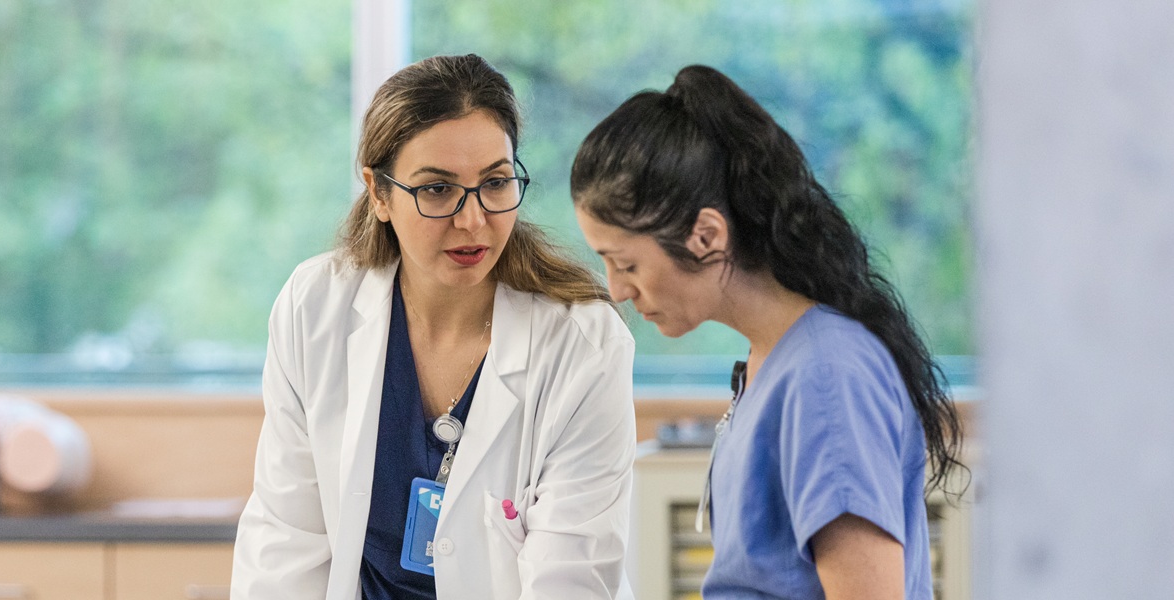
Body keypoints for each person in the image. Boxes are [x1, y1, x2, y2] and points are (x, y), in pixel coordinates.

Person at [231, 54, 638, 599]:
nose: (473, 220)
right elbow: (286, 542)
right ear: (379, 194)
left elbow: (569, 576)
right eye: (437, 189)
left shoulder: (583, 346)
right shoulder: (315, 309)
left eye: (495, 182)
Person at [569, 65, 964, 599]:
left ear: (706, 235)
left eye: (627, 264)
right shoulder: (774, 360)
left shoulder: (826, 377)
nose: (617, 290)